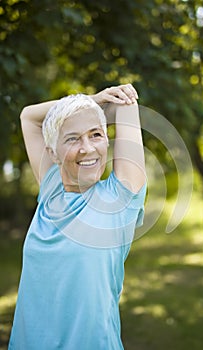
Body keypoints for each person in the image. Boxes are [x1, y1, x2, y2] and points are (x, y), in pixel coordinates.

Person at [8, 84, 146, 350]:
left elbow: (127, 103)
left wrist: (91, 107)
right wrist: (88, 100)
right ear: (53, 153)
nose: (87, 149)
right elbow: (28, 116)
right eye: (72, 139)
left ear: (107, 140)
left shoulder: (120, 197)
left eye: (96, 135)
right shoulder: (51, 190)